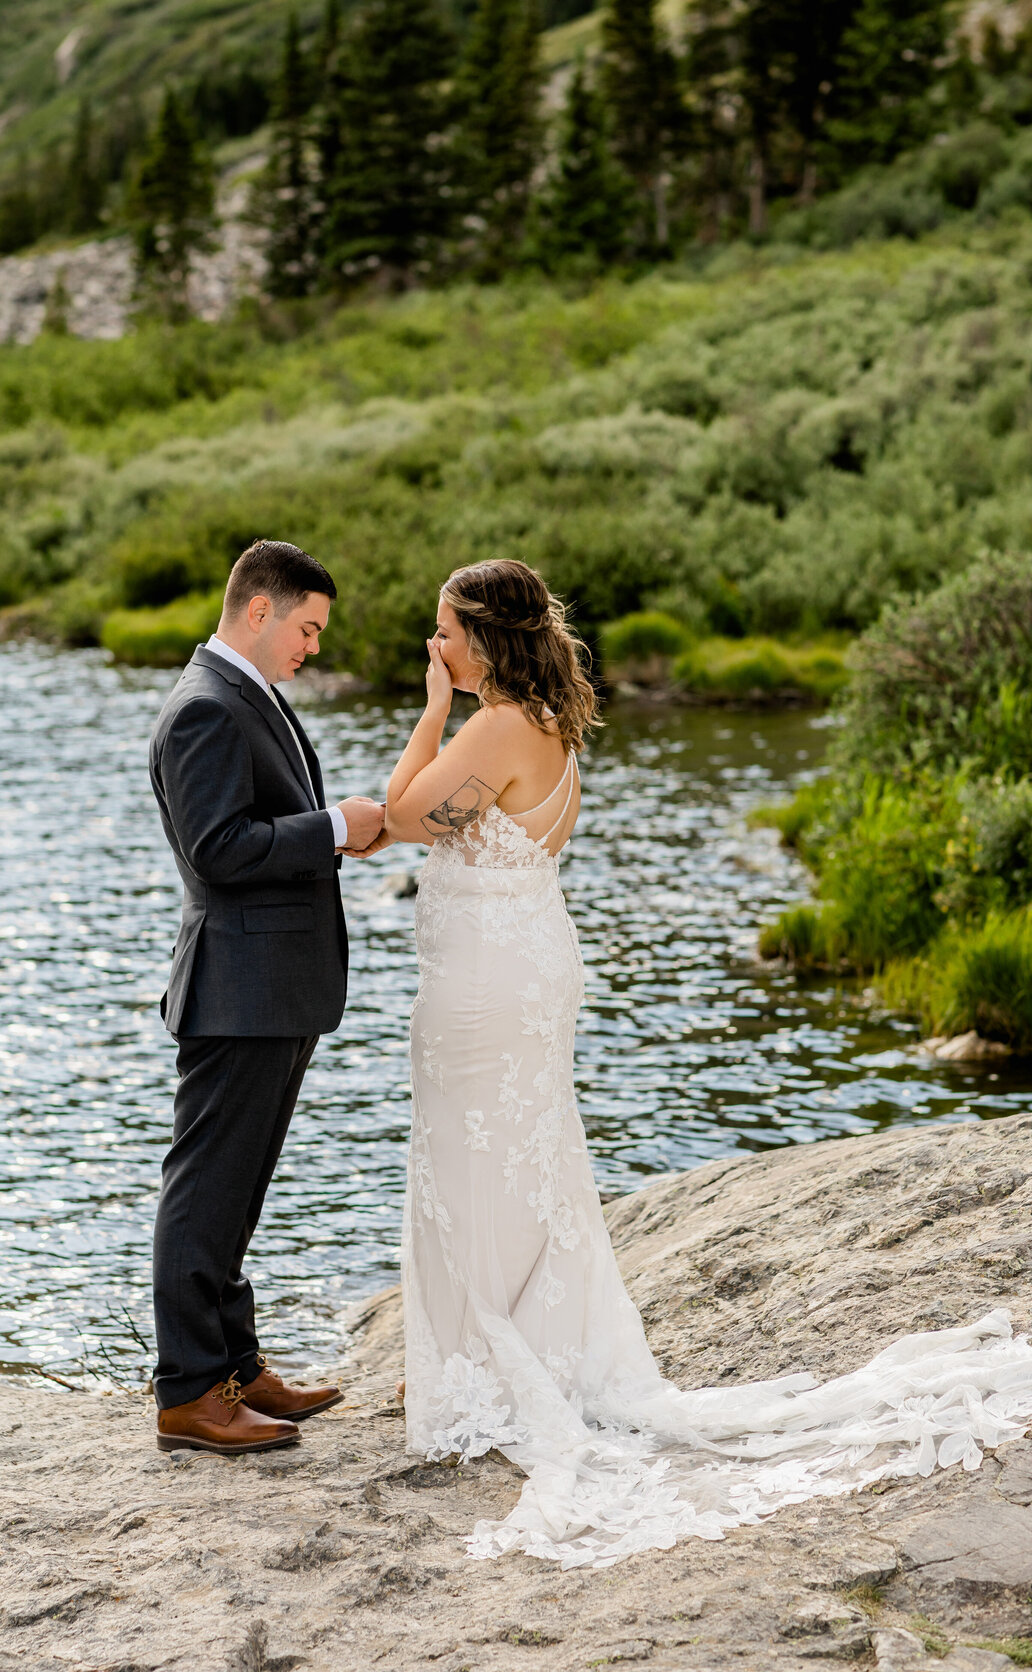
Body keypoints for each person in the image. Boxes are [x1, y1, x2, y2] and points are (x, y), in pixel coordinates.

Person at [383, 557, 1032, 1567]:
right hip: (528, 964)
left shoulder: (497, 725)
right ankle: (486, 1353)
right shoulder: (554, 729)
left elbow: (402, 818)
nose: (438, 649)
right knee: (526, 1157)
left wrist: (427, 711)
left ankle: (478, 1366)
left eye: (445, 635)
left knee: (475, 1159)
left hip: (489, 988)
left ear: (484, 639)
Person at [148, 540, 385, 1455]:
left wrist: (331, 834)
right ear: (259, 610)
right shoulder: (204, 708)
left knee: (239, 1187)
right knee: (206, 1186)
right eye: (309, 627)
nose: (314, 646)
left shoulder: (247, 695)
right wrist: (330, 828)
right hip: (237, 987)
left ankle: (236, 1367)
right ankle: (188, 1392)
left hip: (274, 987)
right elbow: (219, 848)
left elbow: (257, 830)